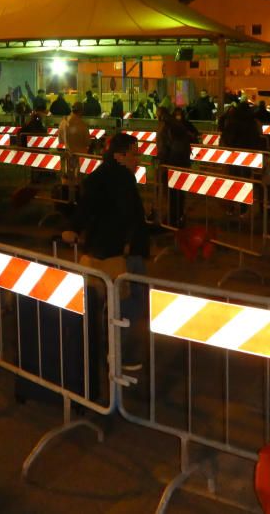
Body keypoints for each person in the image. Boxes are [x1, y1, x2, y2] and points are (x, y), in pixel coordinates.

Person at [64, 133, 150, 369]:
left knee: (113, 302)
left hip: (102, 250)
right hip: (122, 253)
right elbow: (127, 215)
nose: (138, 160)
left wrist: (73, 228)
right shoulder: (121, 179)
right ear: (119, 156)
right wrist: (130, 243)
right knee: (131, 302)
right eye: (135, 154)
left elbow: (86, 209)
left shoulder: (98, 178)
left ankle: (109, 351)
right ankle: (118, 355)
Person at [158, 107, 195, 227]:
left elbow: (164, 147)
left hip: (171, 163)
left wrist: (162, 163)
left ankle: (173, 219)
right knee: (179, 193)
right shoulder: (179, 127)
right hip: (182, 163)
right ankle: (178, 217)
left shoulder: (166, 128)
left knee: (171, 193)